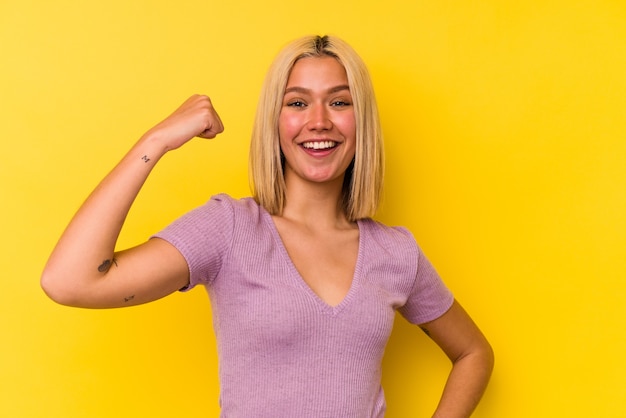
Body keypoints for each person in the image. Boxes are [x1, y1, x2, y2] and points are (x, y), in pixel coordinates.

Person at [41, 35, 494, 417]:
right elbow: (69, 281)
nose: (319, 121)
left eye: (340, 102)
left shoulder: (395, 252)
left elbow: (474, 354)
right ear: (275, 123)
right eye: (297, 102)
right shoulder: (230, 229)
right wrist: (156, 141)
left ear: (362, 123)